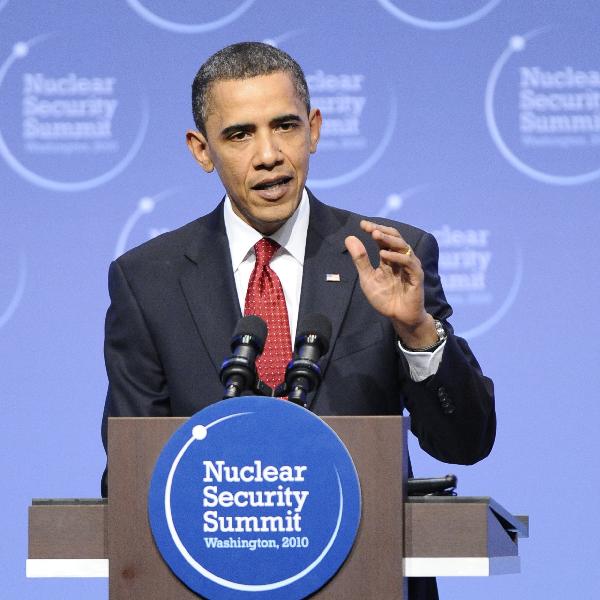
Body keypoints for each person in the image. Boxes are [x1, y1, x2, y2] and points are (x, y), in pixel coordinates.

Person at [101, 42, 495, 600]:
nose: (268, 154)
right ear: (201, 150)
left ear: (313, 129)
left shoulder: (387, 254)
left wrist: (417, 333)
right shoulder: (148, 280)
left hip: (368, 577)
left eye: (284, 126)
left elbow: (466, 441)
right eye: (239, 134)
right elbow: (129, 469)